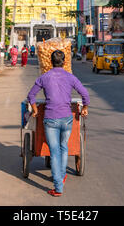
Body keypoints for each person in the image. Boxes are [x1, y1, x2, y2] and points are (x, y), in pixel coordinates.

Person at [27, 50, 90, 197]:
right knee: (63, 147)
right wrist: (85, 108)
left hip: (51, 119)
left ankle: (58, 187)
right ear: (65, 62)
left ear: (50, 61)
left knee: (54, 151)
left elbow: (31, 96)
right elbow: (85, 94)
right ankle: (61, 176)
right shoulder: (71, 77)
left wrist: (35, 110)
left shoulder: (44, 77)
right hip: (67, 118)